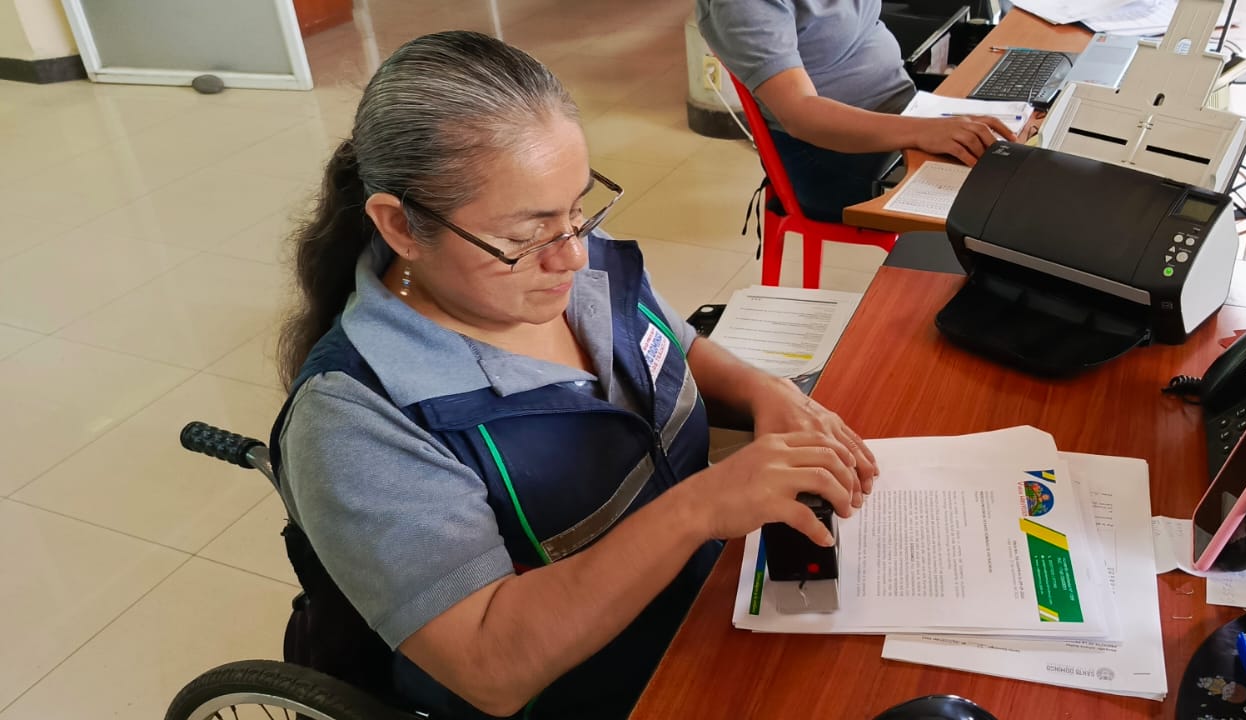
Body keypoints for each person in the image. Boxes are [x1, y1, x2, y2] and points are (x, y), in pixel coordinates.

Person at [271, 30, 878, 720]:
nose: (574, 256)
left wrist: (763, 391)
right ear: (401, 227)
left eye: (577, 208)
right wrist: (699, 509)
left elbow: (673, 345)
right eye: (524, 235)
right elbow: (488, 666)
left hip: (708, 614)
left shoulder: (569, 263)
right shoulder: (355, 421)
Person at [697, 0, 1017, 222]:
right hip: (827, 156)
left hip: (903, 113)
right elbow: (800, 114)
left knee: (1015, 157)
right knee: (997, 199)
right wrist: (923, 130)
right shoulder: (741, 6)